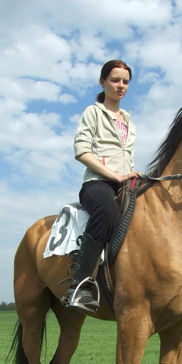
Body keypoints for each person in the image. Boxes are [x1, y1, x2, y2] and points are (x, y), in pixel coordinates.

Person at [62, 59, 139, 312]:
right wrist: (115, 175)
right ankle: (80, 286)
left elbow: (127, 157)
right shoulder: (92, 112)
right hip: (98, 184)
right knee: (107, 211)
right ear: (102, 82)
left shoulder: (129, 121)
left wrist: (131, 174)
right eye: (115, 80)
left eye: (125, 81)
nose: (120, 86)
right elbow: (82, 151)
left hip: (125, 183)